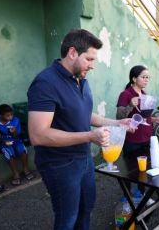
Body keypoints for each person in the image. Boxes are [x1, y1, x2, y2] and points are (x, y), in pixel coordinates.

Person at [27, 29, 131, 230]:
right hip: (60, 164)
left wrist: (117, 123)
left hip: (83, 159)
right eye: (89, 59)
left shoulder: (81, 79)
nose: (92, 65)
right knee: (67, 218)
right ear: (72, 52)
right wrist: (90, 136)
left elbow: (85, 114)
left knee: (86, 209)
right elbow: (38, 135)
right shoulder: (45, 83)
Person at [116, 65, 159, 198]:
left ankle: (141, 193)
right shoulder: (126, 94)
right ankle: (127, 195)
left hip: (146, 138)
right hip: (132, 139)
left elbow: (145, 118)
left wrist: (155, 119)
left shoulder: (145, 95)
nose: (146, 80)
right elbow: (119, 116)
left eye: (148, 77)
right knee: (129, 170)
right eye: (143, 77)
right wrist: (130, 105)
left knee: (143, 168)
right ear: (134, 78)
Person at [0, 104, 34, 185]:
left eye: (11, 114)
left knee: (23, 149)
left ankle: (26, 169)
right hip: (2, 142)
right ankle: (15, 173)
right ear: (0, 115)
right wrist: (3, 142)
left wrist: (14, 132)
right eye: (7, 115)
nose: (10, 117)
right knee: (8, 153)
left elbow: (17, 135)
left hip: (15, 140)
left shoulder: (15, 120)